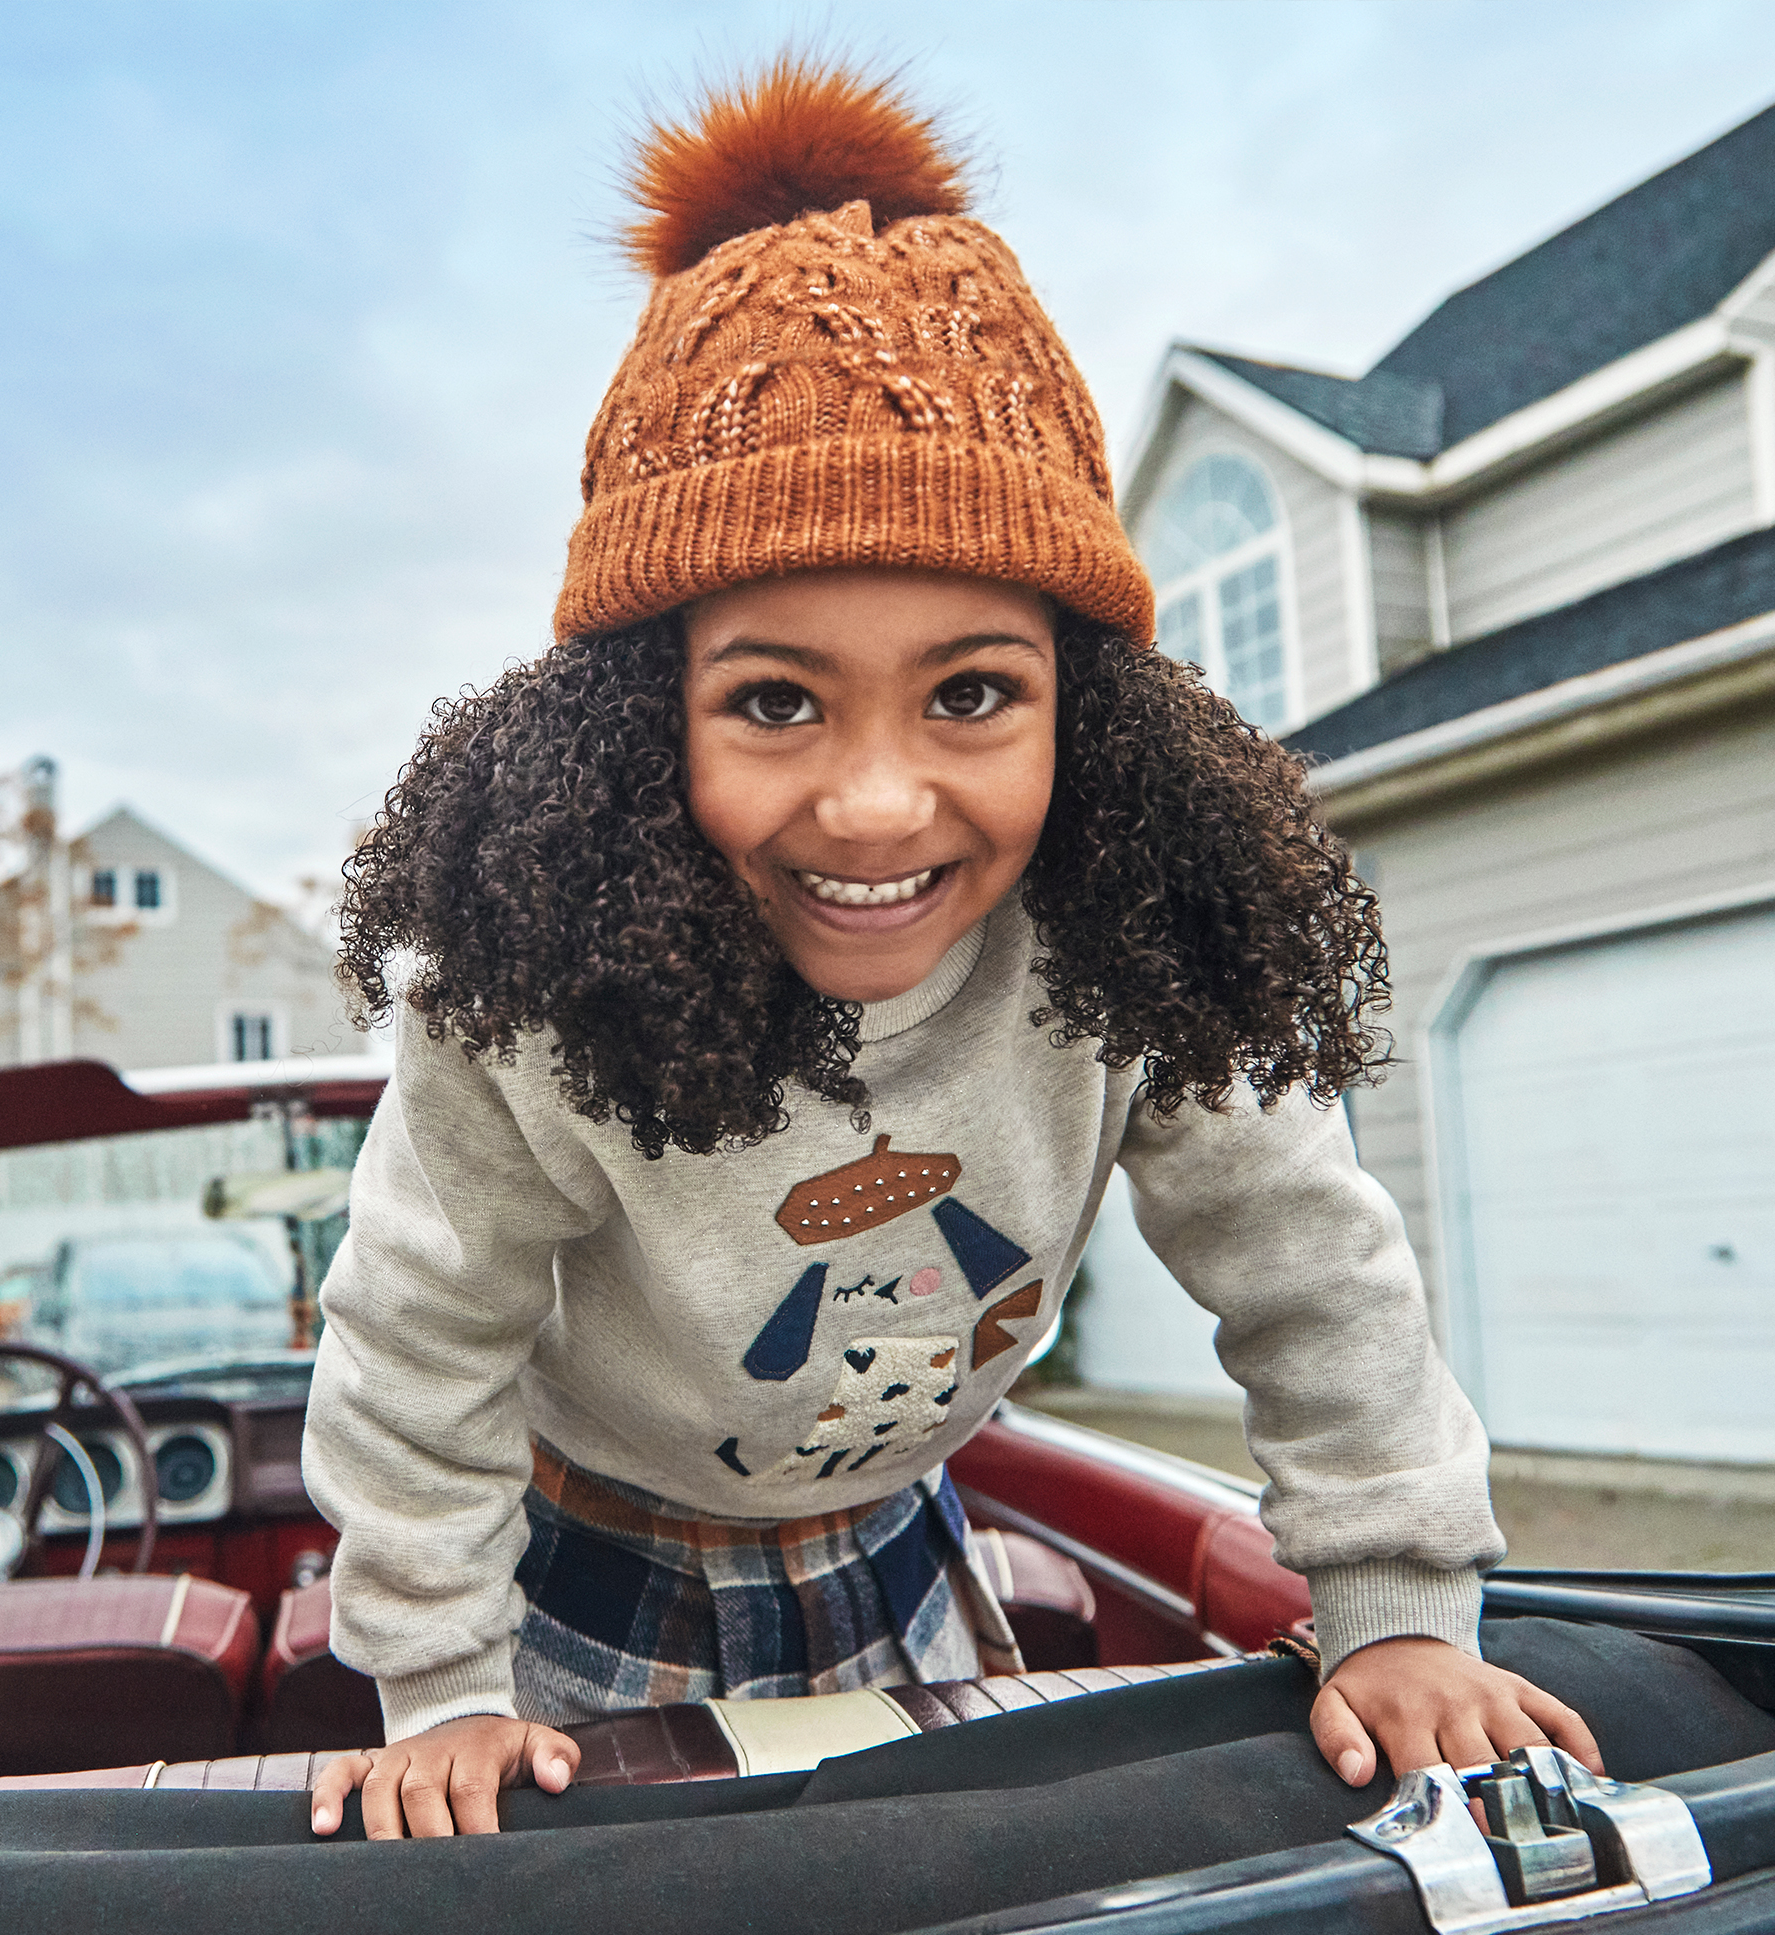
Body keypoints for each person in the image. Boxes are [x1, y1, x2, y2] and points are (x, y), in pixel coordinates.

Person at [303, 56, 1599, 1841]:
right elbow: (415, 1332)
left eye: (974, 693)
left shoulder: (1126, 946)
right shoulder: (534, 996)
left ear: (1099, 715)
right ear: (630, 725)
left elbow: (1306, 1258)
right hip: (574, 1577)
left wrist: (1390, 1611)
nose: (880, 806)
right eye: (774, 701)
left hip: (907, 1541)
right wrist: (438, 1683)